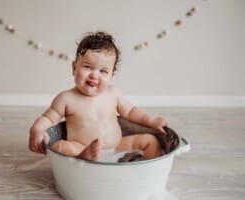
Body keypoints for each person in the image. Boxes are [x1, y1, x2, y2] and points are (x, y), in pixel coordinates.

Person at [29, 31, 169, 161]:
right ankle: (82, 157)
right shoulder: (66, 98)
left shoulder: (113, 93)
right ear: (74, 67)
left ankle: (147, 168)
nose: (94, 75)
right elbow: (48, 118)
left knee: (151, 141)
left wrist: (152, 121)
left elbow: (131, 111)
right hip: (82, 147)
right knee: (60, 147)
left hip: (117, 147)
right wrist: (38, 129)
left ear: (111, 76)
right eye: (87, 67)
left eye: (103, 71)